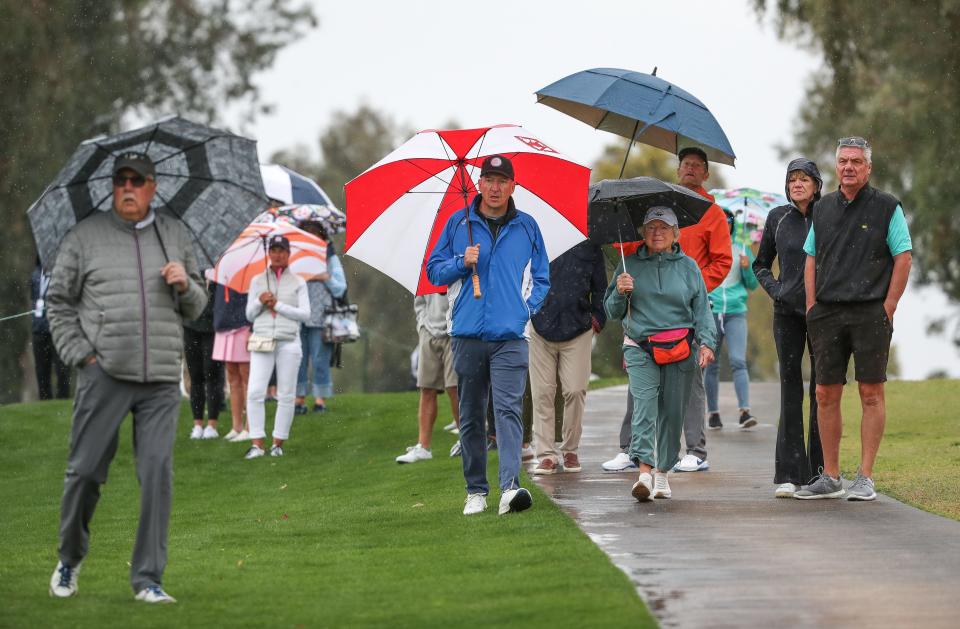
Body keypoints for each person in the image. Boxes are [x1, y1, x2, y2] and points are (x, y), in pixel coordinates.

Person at [46, 151, 207, 603]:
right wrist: (82, 355)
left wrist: (185, 284)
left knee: (157, 473)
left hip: (159, 377)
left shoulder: (173, 233)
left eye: (137, 180)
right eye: (121, 181)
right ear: (113, 187)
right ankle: (69, 557)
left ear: (154, 186)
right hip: (105, 372)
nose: (128, 188)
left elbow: (198, 307)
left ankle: (148, 578)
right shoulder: (85, 236)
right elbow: (57, 301)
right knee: (85, 474)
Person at [426, 154, 550, 516]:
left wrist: (526, 309)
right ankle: (476, 491)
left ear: (513, 186)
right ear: (479, 184)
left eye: (502, 181)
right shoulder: (457, 224)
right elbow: (435, 272)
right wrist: (460, 262)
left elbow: (541, 277)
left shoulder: (527, 226)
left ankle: (511, 488)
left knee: (509, 410)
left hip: (511, 336)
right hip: (466, 333)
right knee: (470, 414)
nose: (495, 187)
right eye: (489, 180)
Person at [601, 147, 732, 473]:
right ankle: (630, 449)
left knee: (688, 386)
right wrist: (624, 243)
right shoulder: (650, 209)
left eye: (697, 166)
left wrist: (691, 286)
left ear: (705, 173)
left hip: (687, 313)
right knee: (641, 386)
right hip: (645, 312)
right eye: (685, 164)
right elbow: (633, 249)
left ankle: (696, 450)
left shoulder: (710, 213)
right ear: (678, 170)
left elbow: (722, 261)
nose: (690, 169)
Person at [796, 136, 912, 501]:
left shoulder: (887, 207)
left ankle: (865, 477)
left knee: (871, 392)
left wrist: (888, 306)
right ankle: (831, 476)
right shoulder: (823, 208)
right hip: (827, 312)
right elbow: (810, 257)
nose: (849, 167)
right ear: (836, 166)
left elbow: (904, 256)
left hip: (870, 312)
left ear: (868, 168)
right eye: (843, 161)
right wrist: (812, 304)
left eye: (856, 162)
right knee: (824, 393)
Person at [604, 207, 716, 501]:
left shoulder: (689, 266)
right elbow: (611, 311)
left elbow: (702, 310)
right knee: (644, 408)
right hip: (640, 346)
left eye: (663, 228)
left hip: (681, 349)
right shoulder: (629, 265)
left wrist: (707, 343)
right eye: (651, 227)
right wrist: (619, 290)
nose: (657, 233)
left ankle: (663, 473)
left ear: (675, 233)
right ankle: (643, 473)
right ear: (643, 231)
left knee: (673, 413)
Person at [754, 158, 824, 498]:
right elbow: (760, 263)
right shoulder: (777, 218)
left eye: (804, 179)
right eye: (792, 179)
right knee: (791, 388)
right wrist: (776, 289)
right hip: (787, 313)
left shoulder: (829, 214)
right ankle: (789, 473)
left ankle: (820, 472)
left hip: (824, 313)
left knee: (822, 390)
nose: (797, 184)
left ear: (816, 184)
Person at [530, 240, 607, 475]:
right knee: (543, 392)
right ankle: (546, 454)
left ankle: (570, 449)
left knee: (575, 390)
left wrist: (597, 319)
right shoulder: (535, 240)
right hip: (539, 325)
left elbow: (601, 288)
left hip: (579, 327)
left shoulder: (591, 244)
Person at [244, 234, 311, 459]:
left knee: (286, 393)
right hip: (262, 337)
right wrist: (259, 301)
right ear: (269, 253)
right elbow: (249, 315)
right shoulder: (257, 281)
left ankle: (277, 443)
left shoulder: (298, 281)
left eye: (282, 250)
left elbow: (305, 314)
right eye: (274, 250)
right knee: (254, 391)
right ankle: (256, 443)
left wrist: (278, 305)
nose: (278, 254)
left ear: (288, 254)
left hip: (289, 339)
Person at [703, 210, 759, 430]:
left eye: (728, 221)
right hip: (712, 309)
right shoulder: (706, 248)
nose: (724, 224)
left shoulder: (742, 249)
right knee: (711, 363)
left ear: (732, 224)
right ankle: (713, 413)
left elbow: (753, 285)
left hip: (736, 311)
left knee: (738, 360)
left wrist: (747, 269)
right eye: (720, 221)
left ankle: (745, 412)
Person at [395, 292, 460, 463]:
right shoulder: (425, 267)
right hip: (429, 331)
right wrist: (423, 325)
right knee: (427, 388)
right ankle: (423, 447)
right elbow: (419, 300)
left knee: (455, 387)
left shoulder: (462, 264)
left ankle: (466, 441)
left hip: (456, 330)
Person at [294, 221, 347, 415]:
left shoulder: (330, 259)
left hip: (321, 316)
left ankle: (319, 399)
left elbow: (341, 287)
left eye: (315, 235)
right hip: (297, 315)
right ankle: (298, 398)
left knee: (319, 358)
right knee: (297, 359)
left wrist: (325, 277)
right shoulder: (294, 258)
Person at [183, 281, 224, 439]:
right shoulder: (190, 274)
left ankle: (212, 425)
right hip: (190, 325)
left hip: (213, 327)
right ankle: (197, 424)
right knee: (196, 376)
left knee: (212, 374)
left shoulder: (218, 274)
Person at [212, 282, 252, 441]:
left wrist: (252, 328)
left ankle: (251, 428)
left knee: (247, 378)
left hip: (244, 326)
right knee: (233, 378)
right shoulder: (222, 271)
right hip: (225, 325)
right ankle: (236, 427)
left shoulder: (250, 272)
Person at [31, 259, 71, 399]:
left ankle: (63, 400)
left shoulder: (62, 273)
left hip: (59, 329)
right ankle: (44, 401)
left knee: (62, 370)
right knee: (42, 371)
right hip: (39, 329)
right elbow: (33, 298)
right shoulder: (36, 274)